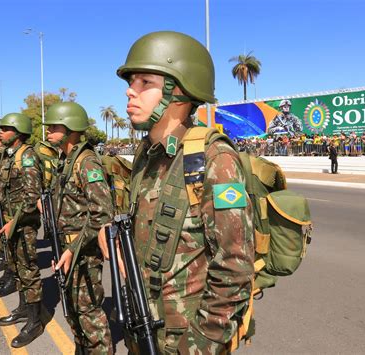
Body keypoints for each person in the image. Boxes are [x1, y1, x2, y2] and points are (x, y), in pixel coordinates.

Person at [99, 31, 254, 353]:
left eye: (145, 83)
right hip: (143, 326)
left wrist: (198, 346)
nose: (130, 91)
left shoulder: (214, 160)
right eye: (131, 82)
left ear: (179, 91)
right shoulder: (147, 154)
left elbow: (235, 269)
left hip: (185, 341)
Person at [45, 102, 114, 354]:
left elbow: (102, 213)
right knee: (72, 307)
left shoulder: (86, 163)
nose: (48, 131)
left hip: (83, 252)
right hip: (67, 247)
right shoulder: (66, 160)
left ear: (71, 128)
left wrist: (73, 247)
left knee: (89, 314)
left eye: (54, 126)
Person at [0, 113, 44, 348]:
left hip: (23, 225)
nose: (1, 133)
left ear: (17, 132)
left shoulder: (26, 157)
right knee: (16, 266)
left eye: (5, 129)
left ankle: (35, 322)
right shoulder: (11, 156)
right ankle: (24, 308)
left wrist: (12, 223)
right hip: (11, 223)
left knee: (28, 270)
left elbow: (31, 196)